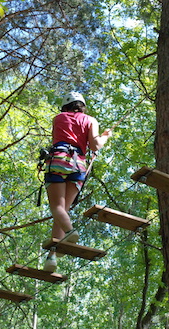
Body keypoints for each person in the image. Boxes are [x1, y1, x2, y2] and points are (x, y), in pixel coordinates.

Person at [43, 92, 112, 271]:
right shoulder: (90, 120)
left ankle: (70, 232)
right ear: (82, 105)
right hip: (78, 165)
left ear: (66, 106)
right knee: (63, 211)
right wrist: (105, 136)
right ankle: (51, 257)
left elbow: (56, 139)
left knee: (57, 208)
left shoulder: (58, 118)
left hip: (58, 159)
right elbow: (95, 145)